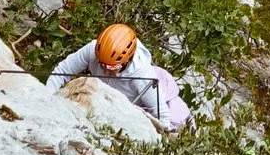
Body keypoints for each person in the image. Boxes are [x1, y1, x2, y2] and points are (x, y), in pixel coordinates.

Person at [50, 22, 191, 131]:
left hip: (135, 109)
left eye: (111, 67)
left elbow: (162, 117)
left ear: (127, 61)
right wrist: (47, 97)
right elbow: (62, 71)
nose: (105, 69)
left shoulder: (143, 76)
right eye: (101, 63)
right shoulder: (92, 50)